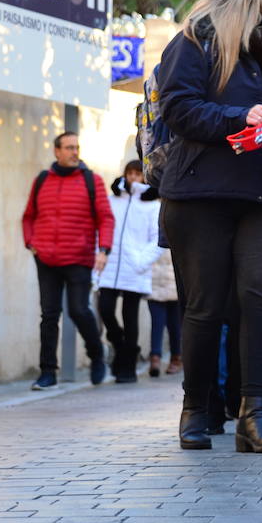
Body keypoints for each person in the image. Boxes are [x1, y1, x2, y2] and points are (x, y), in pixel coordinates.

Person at [156, 0, 262, 453]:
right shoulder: (195, 40)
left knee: (261, 299)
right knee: (205, 306)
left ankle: (254, 415)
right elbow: (176, 108)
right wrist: (239, 118)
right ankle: (196, 410)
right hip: (201, 191)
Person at [21, 132, 114, 390]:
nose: (75, 152)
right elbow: (28, 216)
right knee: (49, 315)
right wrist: (31, 243)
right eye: (69, 148)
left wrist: (103, 250)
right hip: (46, 258)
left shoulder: (91, 180)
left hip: (79, 256)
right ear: (57, 151)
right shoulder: (42, 180)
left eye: (77, 148)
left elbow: (106, 218)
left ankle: (97, 355)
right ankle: (47, 372)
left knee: (79, 310)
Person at [96, 161, 161, 384]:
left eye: (137, 174)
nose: (133, 178)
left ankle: (128, 367)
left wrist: (141, 262)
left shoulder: (153, 206)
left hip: (134, 268)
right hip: (110, 265)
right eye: (129, 174)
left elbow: (158, 239)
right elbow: (101, 226)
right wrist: (99, 253)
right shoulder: (112, 200)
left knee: (130, 315)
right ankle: (121, 345)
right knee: (105, 309)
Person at [147, 245, 181, 378]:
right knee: (157, 323)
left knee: (174, 325)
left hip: (174, 282)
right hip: (154, 281)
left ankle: (175, 357)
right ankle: (156, 358)